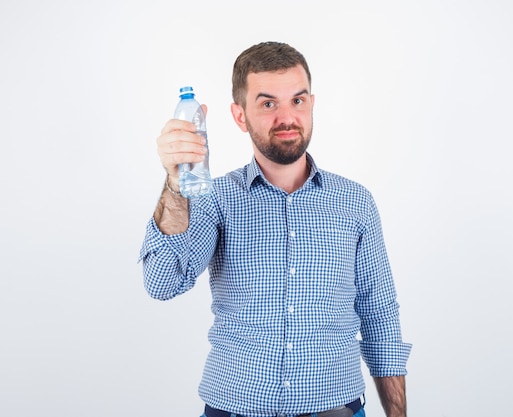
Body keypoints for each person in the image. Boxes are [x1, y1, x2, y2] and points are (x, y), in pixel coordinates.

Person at [139, 41, 411, 417]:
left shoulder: (356, 202)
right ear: (240, 116)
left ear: (311, 104)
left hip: (336, 409)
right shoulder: (213, 198)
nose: (287, 117)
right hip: (233, 408)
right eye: (268, 104)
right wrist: (174, 183)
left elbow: (379, 314)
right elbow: (162, 282)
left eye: (297, 101)